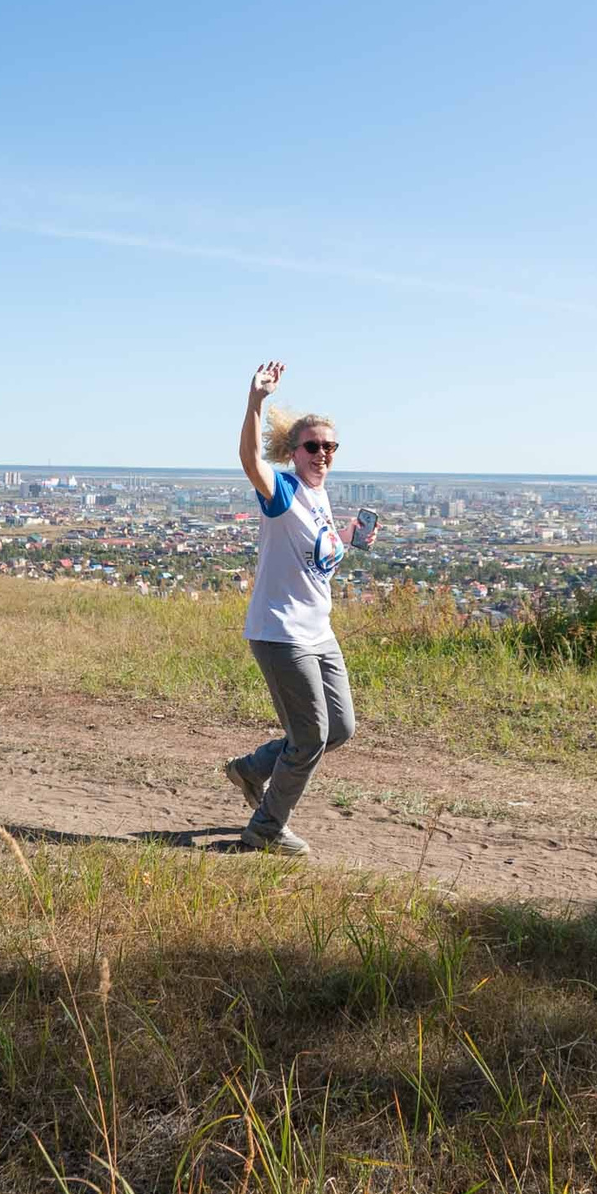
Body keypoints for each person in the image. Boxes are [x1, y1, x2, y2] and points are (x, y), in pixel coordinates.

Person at [222, 360, 373, 856]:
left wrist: (347, 536)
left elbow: (317, 558)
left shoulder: (319, 496)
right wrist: (255, 401)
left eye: (330, 447)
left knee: (340, 729)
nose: (322, 453)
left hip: (318, 632)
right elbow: (249, 460)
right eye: (313, 446)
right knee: (309, 737)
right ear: (294, 451)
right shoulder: (283, 491)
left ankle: (253, 768)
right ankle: (265, 828)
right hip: (280, 633)